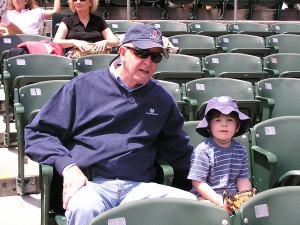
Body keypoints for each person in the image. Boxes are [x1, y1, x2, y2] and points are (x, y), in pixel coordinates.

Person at [25, 23, 197, 225]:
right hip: (92, 186)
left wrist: (205, 188)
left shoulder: (161, 98)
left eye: (155, 56)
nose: (148, 62)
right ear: (123, 52)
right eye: (142, 53)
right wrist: (68, 166)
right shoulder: (83, 87)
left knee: (192, 206)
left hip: (139, 187)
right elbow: (37, 133)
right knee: (84, 208)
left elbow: (179, 151)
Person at [188, 96, 252, 214]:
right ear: (209, 127)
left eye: (229, 120)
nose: (224, 124)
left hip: (232, 197)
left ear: (237, 127)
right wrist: (220, 202)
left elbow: (242, 179)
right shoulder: (203, 150)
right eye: (217, 120)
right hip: (206, 197)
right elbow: (198, 183)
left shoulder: (241, 150)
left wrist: (245, 199)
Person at [52, 0, 119, 56]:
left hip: (97, 57)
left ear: (90, 3)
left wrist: (105, 42)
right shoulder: (67, 20)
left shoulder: (99, 20)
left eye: (82, 0)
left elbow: (115, 42)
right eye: (75, 0)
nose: (78, 2)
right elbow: (56, 42)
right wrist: (75, 42)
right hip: (75, 59)